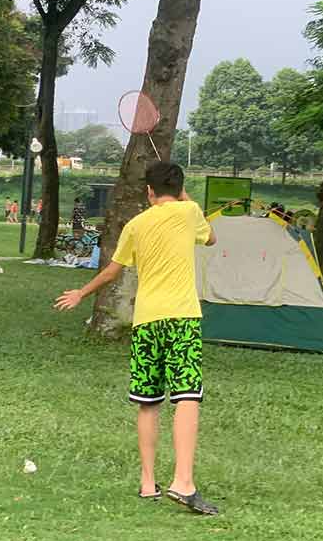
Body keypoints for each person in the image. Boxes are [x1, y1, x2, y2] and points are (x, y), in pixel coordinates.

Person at [54, 161, 219, 515]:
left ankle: (148, 484)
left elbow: (113, 270)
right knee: (187, 396)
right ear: (180, 188)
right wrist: (186, 197)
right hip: (182, 317)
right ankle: (183, 482)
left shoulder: (135, 224)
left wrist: (81, 293)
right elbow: (212, 238)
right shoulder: (190, 211)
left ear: (148, 191)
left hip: (146, 321)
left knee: (148, 401)